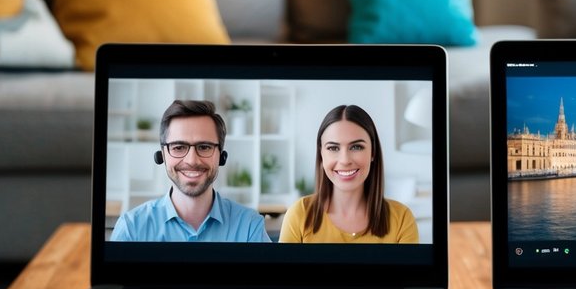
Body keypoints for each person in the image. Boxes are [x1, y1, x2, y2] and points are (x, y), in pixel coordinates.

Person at [111, 99, 272, 242]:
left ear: (221, 155)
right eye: (179, 147)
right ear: (163, 155)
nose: (192, 160)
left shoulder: (250, 227)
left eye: (204, 147)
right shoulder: (131, 229)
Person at [279, 104, 419, 243]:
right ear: (321, 154)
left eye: (356, 147)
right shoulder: (299, 215)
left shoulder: (402, 219)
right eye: (333, 148)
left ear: (373, 152)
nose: (345, 160)